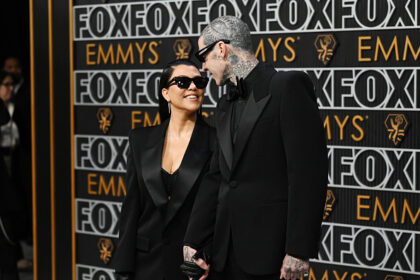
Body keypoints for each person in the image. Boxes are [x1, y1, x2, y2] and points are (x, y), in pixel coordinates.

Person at [182, 16, 328, 280]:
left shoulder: (287, 87)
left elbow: (308, 174)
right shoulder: (225, 104)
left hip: (270, 254)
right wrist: (194, 239)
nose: (202, 67)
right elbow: (216, 177)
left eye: (203, 55)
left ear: (222, 49)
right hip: (223, 252)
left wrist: (298, 250)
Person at [112, 59, 216, 280]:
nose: (193, 87)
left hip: (192, 269)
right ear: (166, 93)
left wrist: (207, 254)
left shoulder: (216, 142)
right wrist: (123, 270)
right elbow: (131, 209)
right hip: (145, 266)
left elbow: (221, 210)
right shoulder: (140, 140)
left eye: (199, 81)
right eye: (182, 82)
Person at [0, 71, 22, 280]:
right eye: (5, 84)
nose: (10, 89)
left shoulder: (15, 107)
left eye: (12, 85)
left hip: (12, 172)